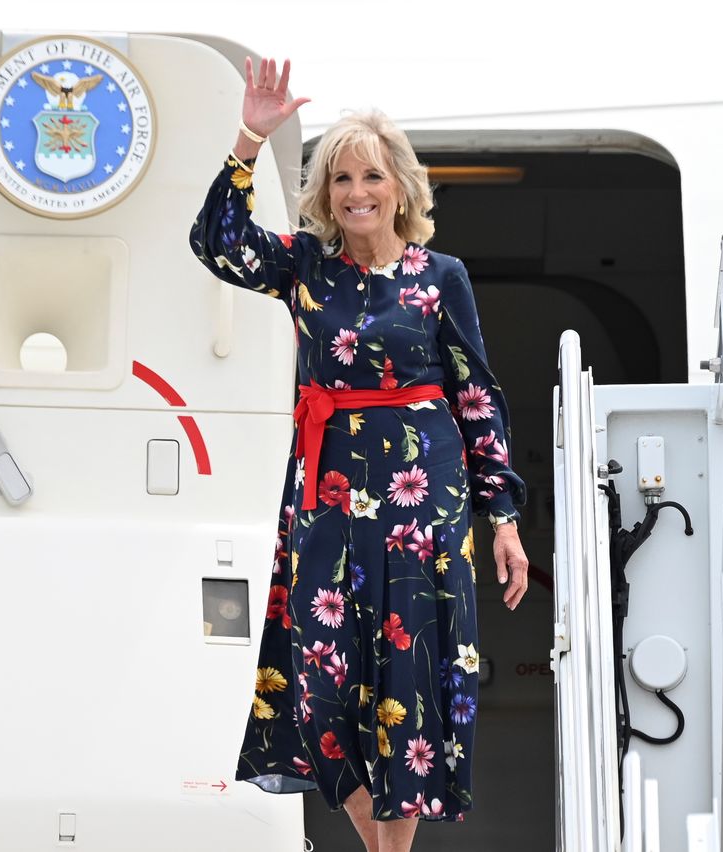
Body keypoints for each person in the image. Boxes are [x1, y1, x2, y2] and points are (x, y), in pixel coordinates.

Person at [189, 57, 530, 852]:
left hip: (423, 502)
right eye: (341, 179)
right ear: (325, 193)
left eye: (371, 176)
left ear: (400, 187)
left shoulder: (441, 277)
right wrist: (249, 140)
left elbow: (476, 397)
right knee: (322, 682)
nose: (355, 192)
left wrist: (504, 517)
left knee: (408, 677)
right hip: (329, 496)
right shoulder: (307, 266)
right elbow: (218, 243)